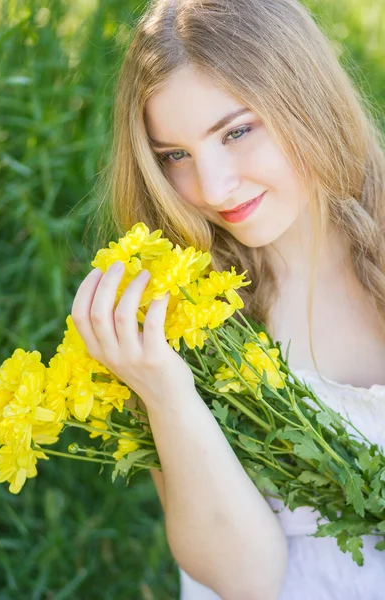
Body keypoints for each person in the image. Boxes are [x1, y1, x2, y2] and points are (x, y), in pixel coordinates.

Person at [71, 0, 385, 598]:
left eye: (236, 131)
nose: (212, 187)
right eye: (174, 157)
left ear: (305, 99)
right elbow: (244, 580)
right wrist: (165, 392)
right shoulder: (177, 313)